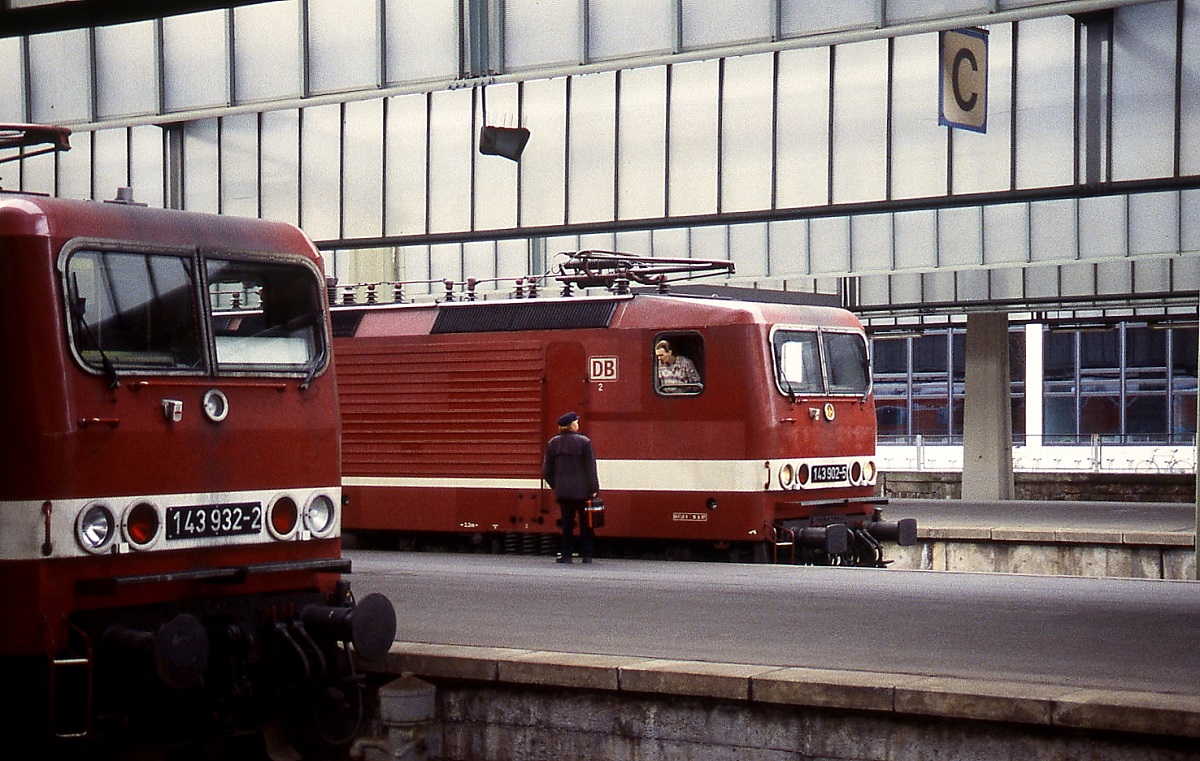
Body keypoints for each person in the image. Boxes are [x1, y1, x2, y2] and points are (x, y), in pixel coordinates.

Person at [542, 411, 600, 564]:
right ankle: (586, 556)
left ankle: (566, 555)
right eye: (576, 422)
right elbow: (590, 468)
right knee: (586, 524)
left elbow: (547, 471)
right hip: (583, 492)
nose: (578, 424)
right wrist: (594, 488)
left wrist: (556, 486)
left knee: (567, 524)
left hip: (563, 492)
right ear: (572, 425)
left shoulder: (553, 443)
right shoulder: (584, 442)